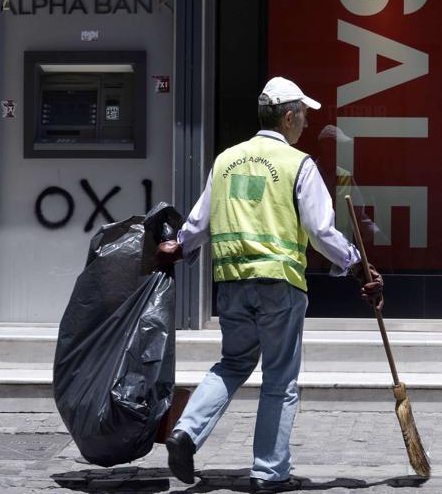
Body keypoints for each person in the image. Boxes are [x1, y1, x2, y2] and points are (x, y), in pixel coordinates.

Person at [156, 76, 384, 493]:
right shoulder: (298, 164)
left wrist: (178, 248)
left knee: (233, 363)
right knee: (280, 380)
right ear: (288, 115)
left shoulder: (226, 160)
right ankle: (269, 471)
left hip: (231, 284)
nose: (307, 125)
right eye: (303, 117)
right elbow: (320, 230)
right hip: (279, 284)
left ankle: (186, 432)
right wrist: (356, 264)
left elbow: (198, 223)